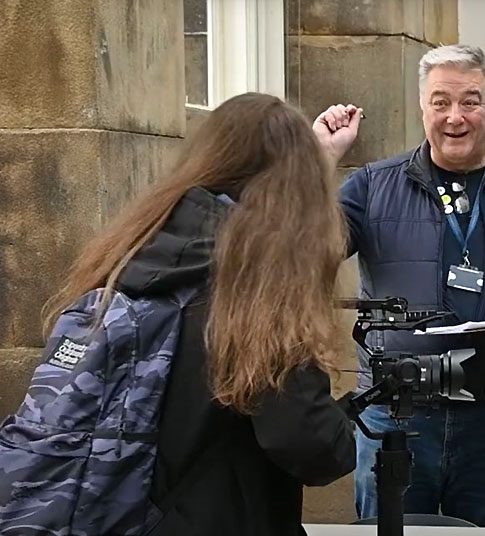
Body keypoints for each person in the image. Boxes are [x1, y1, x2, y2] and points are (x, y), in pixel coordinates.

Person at [42, 93, 356, 536]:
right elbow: (306, 442)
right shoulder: (259, 283)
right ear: (293, 188)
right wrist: (345, 435)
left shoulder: (139, 244)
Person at [313, 44, 485, 527]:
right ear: (422, 106)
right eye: (440, 102)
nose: (455, 117)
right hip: (395, 414)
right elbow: (303, 253)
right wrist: (319, 163)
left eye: (470, 101)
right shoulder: (372, 186)